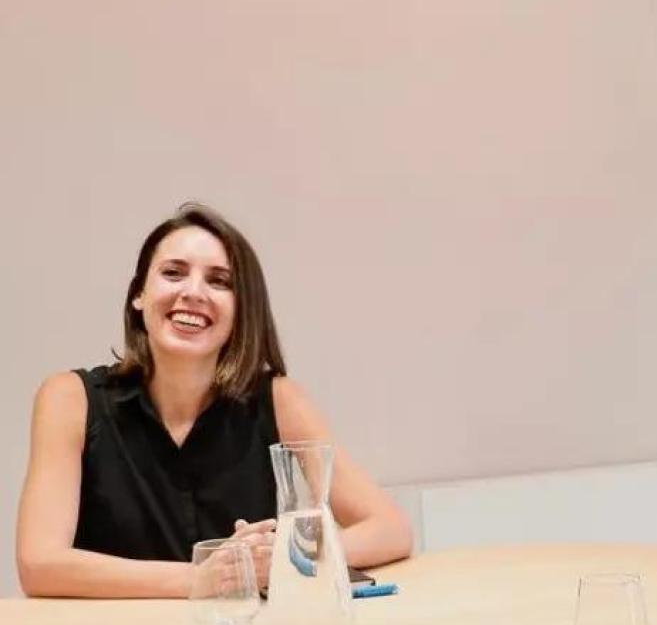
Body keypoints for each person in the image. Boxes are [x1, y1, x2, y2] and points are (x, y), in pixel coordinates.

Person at [16, 203, 413, 598]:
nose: (193, 293)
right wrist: (202, 577)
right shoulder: (69, 398)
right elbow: (39, 564)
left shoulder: (279, 399)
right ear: (139, 294)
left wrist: (282, 555)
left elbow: (390, 529)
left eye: (219, 281)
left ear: (242, 309)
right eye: (173, 273)